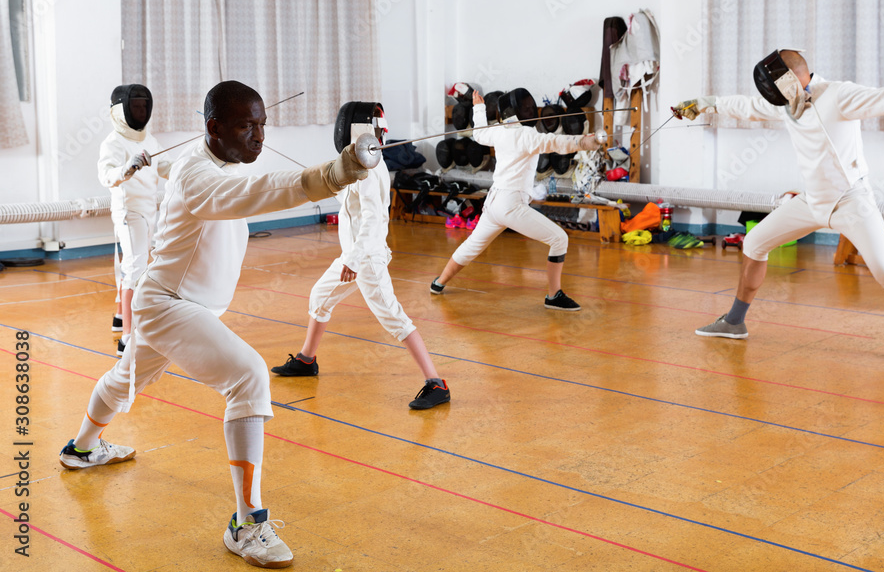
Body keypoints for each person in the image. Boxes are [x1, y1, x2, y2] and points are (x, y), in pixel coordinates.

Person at [58, 80, 371, 568]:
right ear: (214, 127)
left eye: (262, 125)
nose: (259, 136)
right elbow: (253, 192)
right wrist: (329, 175)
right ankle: (247, 523)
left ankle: (81, 449)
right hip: (168, 305)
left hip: (177, 306)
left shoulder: (218, 164)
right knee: (248, 375)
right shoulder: (198, 176)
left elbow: (247, 185)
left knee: (125, 377)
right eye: (247, 126)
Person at [676, 49, 884, 372]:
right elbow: (747, 107)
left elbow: (881, 98)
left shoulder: (838, 95)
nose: (773, 94)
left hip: (852, 201)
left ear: (792, 79)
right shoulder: (788, 103)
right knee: (754, 243)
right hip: (812, 201)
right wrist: (704, 103)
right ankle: (734, 322)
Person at [271, 101, 450, 410]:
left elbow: (372, 219)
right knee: (320, 297)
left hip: (366, 259)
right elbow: (345, 194)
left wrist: (353, 261)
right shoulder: (358, 163)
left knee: (394, 318)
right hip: (352, 256)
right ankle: (306, 360)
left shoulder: (369, 168)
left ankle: (437, 383)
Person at [429, 88, 603, 310]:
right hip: (510, 205)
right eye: (527, 107)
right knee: (559, 239)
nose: (530, 110)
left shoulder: (499, 131)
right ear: (517, 112)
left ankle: (439, 282)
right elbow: (555, 143)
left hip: (493, 203)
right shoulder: (526, 135)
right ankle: (553, 295)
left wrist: (479, 107)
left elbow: (479, 134)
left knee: (472, 245)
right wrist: (584, 142)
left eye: (530, 107)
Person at [97, 84, 171, 356]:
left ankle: (120, 316)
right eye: (135, 106)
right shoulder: (113, 142)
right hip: (129, 211)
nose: (140, 111)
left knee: (135, 262)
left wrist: (195, 166)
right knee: (136, 267)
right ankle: (127, 338)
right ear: (121, 110)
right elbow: (106, 176)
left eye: (143, 106)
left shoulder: (148, 139)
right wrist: (127, 168)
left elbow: (167, 167)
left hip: (148, 209)